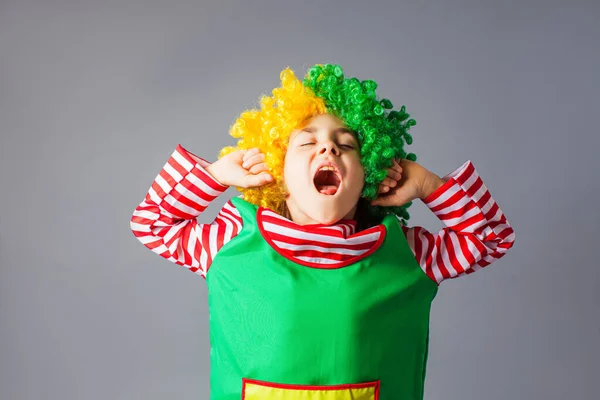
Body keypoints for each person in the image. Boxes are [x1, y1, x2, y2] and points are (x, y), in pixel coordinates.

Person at [130, 64, 515, 400]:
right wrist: (214, 175)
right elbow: (151, 222)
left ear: (371, 173)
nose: (328, 150)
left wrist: (430, 184)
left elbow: (492, 236)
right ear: (278, 171)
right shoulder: (231, 242)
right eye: (308, 142)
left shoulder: (406, 253)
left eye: (346, 145)